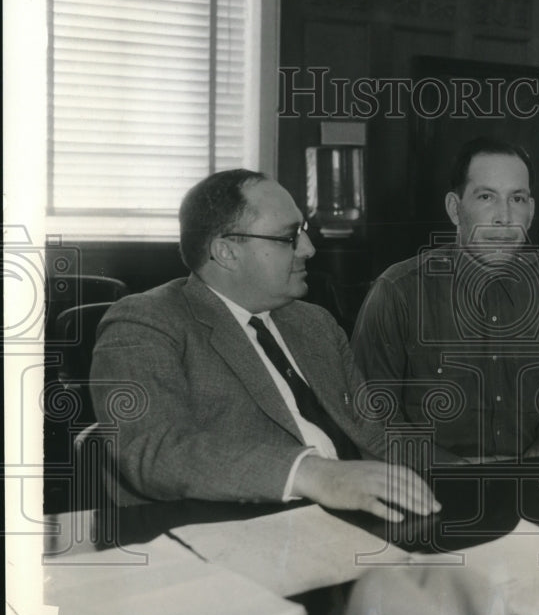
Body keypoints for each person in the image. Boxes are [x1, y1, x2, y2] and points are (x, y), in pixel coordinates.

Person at [90, 169, 438, 522]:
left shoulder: (315, 324)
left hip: (366, 520)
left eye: (302, 232)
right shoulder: (147, 323)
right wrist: (312, 474)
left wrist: (468, 472)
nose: (309, 248)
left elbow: (375, 437)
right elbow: (155, 452)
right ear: (227, 252)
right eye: (288, 237)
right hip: (236, 537)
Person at [351, 137, 539, 463]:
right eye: (486, 197)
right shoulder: (397, 293)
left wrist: (531, 462)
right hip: (429, 488)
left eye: (518, 198)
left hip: (535, 481)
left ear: (531, 211)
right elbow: (371, 420)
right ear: (455, 209)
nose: (504, 217)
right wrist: (460, 471)